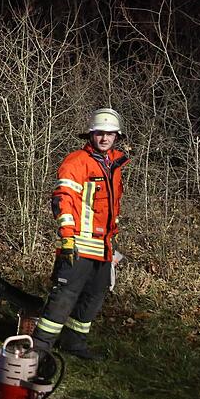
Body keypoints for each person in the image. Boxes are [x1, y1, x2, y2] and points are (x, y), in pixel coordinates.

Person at [32, 108, 129, 360]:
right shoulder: (77, 162)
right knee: (64, 297)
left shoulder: (115, 165)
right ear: (90, 134)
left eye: (109, 134)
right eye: (100, 133)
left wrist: (112, 244)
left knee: (94, 297)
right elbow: (63, 200)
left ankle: (74, 344)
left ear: (116, 137)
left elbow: (110, 209)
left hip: (103, 247)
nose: (104, 138)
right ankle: (40, 347)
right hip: (78, 244)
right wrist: (67, 237)